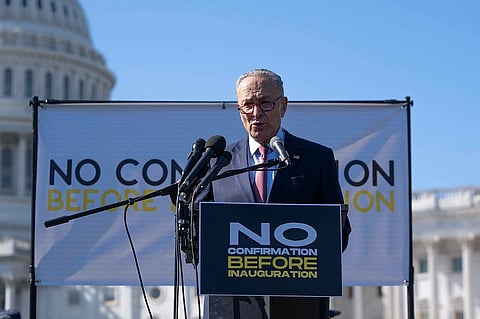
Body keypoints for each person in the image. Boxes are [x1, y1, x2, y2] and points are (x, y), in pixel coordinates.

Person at [199, 68, 351, 319]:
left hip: (298, 303)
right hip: (232, 305)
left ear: (283, 106)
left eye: (265, 103)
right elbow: (199, 236)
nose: (256, 113)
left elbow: (338, 234)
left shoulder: (316, 158)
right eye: (247, 105)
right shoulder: (219, 163)